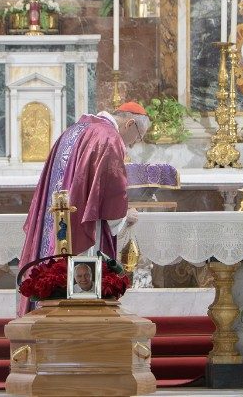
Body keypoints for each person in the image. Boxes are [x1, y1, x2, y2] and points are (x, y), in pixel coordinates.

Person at [18, 102, 150, 315]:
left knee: (52, 271)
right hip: (82, 224)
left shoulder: (75, 129)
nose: (134, 143)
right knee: (80, 296)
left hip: (56, 219)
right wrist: (124, 217)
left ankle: (47, 319)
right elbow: (112, 190)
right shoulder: (109, 137)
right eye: (139, 136)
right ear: (130, 123)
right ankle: (80, 325)